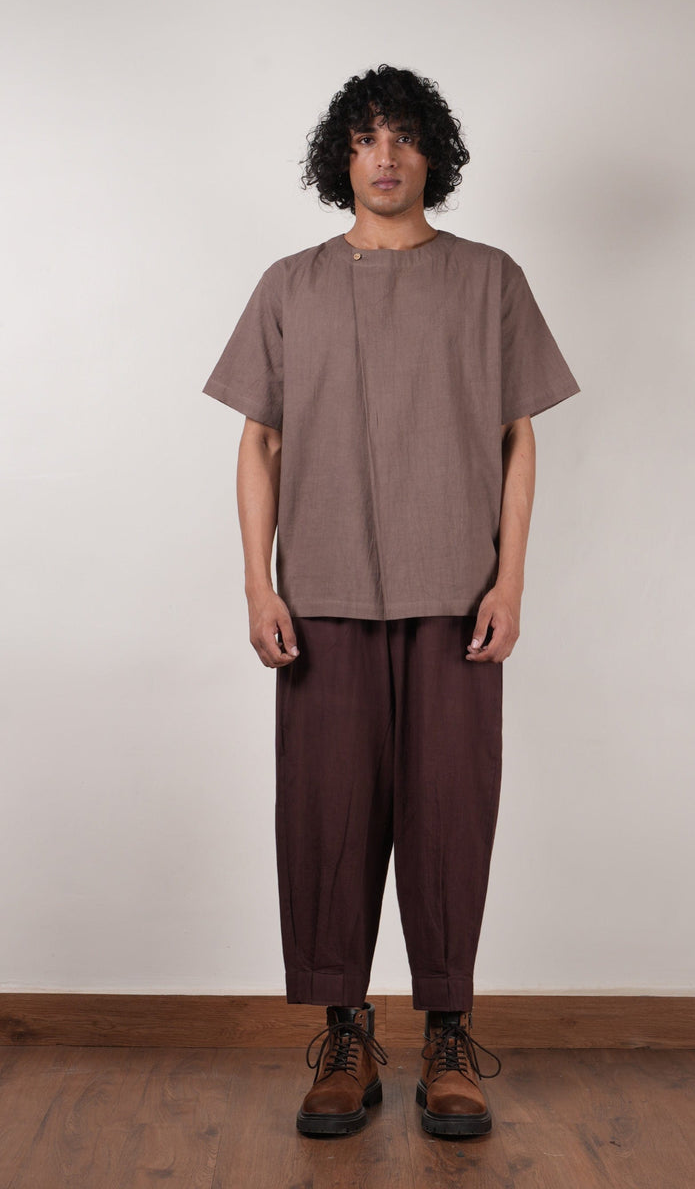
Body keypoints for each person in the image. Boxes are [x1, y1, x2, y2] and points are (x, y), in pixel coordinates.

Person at [201, 63, 581, 1139]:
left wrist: (509, 578)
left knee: (450, 812)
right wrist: (257, 582)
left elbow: (516, 435)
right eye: (366, 137)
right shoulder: (291, 285)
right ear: (341, 156)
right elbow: (259, 441)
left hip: (455, 594)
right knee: (326, 814)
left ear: (432, 156)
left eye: (404, 136)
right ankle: (346, 1038)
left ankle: (449, 1035)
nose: (385, 156)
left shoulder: (488, 278)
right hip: (321, 592)